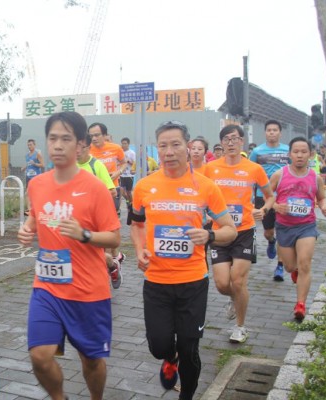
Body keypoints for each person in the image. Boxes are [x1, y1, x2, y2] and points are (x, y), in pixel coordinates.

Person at [130, 121, 237, 400]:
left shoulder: (206, 187)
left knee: (190, 347)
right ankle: (169, 357)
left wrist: (209, 235)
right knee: (158, 345)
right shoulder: (144, 186)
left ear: (187, 147)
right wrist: (140, 249)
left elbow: (230, 229)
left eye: (175, 144)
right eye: (163, 145)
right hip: (156, 281)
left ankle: (187, 395)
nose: (169, 151)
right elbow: (136, 224)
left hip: (193, 281)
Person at [18, 111, 120, 400]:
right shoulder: (37, 184)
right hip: (47, 286)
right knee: (40, 356)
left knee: (91, 360)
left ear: (80, 144)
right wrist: (27, 228)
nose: (58, 145)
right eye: (53, 138)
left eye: (65, 139)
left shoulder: (95, 188)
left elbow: (114, 238)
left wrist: (84, 235)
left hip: (88, 291)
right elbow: (35, 216)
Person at [204, 125, 274, 343]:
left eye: (235, 138)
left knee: (238, 280)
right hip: (219, 232)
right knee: (222, 284)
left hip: (244, 230)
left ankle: (240, 327)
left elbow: (270, 196)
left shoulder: (254, 168)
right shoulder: (210, 168)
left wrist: (263, 209)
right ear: (221, 143)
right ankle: (235, 298)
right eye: (226, 139)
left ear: (242, 141)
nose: (231, 143)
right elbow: (201, 194)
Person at [269, 137, 326, 321]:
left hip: (306, 226)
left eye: (304, 152)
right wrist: (276, 206)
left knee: (305, 264)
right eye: (296, 152)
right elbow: (267, 196)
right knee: (290, 266)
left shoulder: (315, 177)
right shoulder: (279, 175)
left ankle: (301, 304)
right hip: (284, 226)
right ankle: (294, 271)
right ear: (290, 154)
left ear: (310, 154)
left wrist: (324, 206)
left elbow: (321, 197)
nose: (300, 155)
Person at [77, 133, 121, 289]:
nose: (77, 151)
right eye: (74, 147)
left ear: (88, 148)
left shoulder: (96, 166)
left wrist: (90, 200)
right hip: (75, 220)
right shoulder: (69, 167)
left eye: (81, 147)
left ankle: (112, 266)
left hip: (94, 220)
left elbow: (112, 191)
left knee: (98, 255)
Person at [249, 119, 290, 281]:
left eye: (275, 130)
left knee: (282, 231)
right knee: (269, 232)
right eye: (269, 130)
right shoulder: (257, 152)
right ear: (265, 133)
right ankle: (271, 241)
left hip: (284, 196)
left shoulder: (288, 150)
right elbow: (250, 173)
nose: (272, 132)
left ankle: (280, 266)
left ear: (280, 132)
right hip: (264, 196)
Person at [89, 122, 126, 284]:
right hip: (93, 194)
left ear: (105, 135)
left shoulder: (115, 148)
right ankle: (113, 258)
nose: (94, 138)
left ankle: (111, 258)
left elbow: (124, 162)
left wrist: (118, 172)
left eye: (97, 135)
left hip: (112, 190)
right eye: (91, 136)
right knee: (99, 227)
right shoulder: (87, 150)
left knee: (110, 226)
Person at [22, 139, 44, 216]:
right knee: (27, 193)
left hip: (36, 176)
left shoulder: (38, 154)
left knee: (36, 193)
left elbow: (42, 165)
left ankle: (38, 208)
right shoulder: (27, 155)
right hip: (28, 176)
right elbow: (28, 164)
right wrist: (24, 167)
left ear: (34, 145)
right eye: (28, 145)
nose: (29, 146)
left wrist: (35, 164)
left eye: (31, 145)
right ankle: (29, 210)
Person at [119, 137, 136, 209]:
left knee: (129, 192)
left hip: (129, 175)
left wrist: (128, 161)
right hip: (122, 174)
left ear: (128, 144)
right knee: (122, 192)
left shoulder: (132, 153)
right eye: (122, 143)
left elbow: (135, 164)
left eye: (125, 143)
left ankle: (132, 204)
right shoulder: (120, 152)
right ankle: (128, 201)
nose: (123, 145)